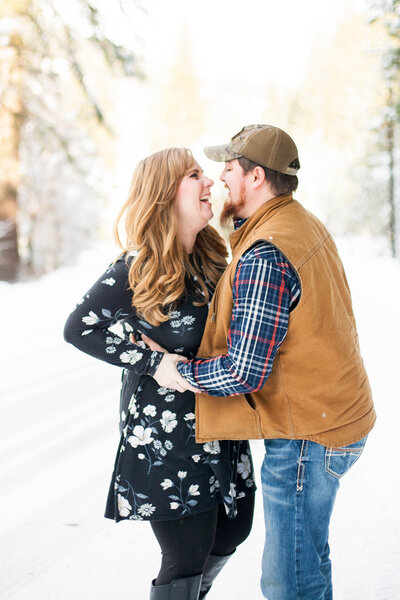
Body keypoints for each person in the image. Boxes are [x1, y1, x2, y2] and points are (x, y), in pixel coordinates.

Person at [140, 126, 376, 600]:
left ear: (256, 176)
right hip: (333, 416)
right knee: (305, 556)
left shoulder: (265, 253)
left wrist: (176, 372)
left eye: (229, 168)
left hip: (309, 434)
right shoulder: (295, 222)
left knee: (288, 578)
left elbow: (242, 371)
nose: (220, 178)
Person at [63, 147, 256, 600]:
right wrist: (154, 361)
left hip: (222, 426)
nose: (210, 181)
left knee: (233, 533)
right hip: (167, 439)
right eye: (195, 175)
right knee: (185, 558)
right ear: (166, 194)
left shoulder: (212, 262)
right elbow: (78, 329)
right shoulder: (136, 267)